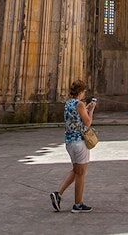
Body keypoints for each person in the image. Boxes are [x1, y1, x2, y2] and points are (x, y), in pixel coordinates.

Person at [49, 80, 97, 213]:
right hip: (79, 142)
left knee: (76, 170)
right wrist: (91, 110)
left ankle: (58, 194)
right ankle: (78, 204)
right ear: (81, 92)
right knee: (81, 174)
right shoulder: (80, 104)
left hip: (69, 142)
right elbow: (87, 123)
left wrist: (85, 110)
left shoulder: (68, 103)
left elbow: (75, 117)